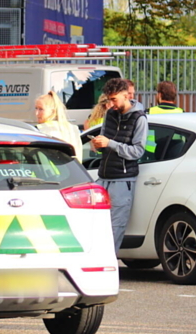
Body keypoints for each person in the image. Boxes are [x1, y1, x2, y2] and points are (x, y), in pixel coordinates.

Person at [91, 78, 148, 253]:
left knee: (116, 226)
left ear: (125, 96)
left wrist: (110, 143)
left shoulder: (139, 118)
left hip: (123, 180)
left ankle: (108, 263)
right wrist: (97, 145)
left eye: (114, 99)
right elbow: (105, 141)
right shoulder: (110, 114)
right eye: (109, 99)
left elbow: (138, 151)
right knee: (93, 223)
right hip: (104, 176)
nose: (111, 104)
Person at [34, 92, 82, 163]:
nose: (36, 113)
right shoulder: (73, 128)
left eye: (41, 109)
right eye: (36, 108)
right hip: (74, 172)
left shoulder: (40, 129)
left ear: (53, 111)